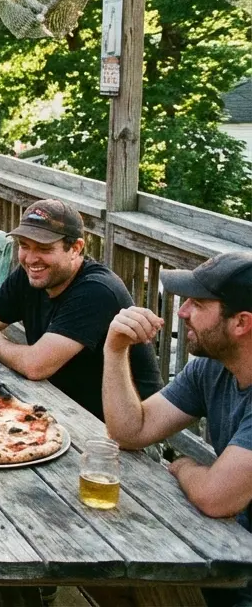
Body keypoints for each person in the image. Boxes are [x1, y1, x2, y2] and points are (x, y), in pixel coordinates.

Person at [100, 253, 252, 607]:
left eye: (198, 304)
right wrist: (115, 349)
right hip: (224, 549)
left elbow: (216, 497)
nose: (182, 312)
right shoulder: (213, 369)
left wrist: (184, 465)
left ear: (241, 322)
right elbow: (130, 430)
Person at [0, 199, 162, 419]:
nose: (31, 258)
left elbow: (36, 365)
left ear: (75, 248)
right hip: (60, 407)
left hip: (118, 433)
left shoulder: (97, 290)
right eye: (24, 246)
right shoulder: (30, 275)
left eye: (43, 248)